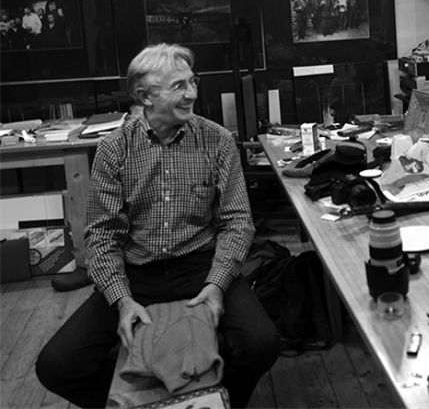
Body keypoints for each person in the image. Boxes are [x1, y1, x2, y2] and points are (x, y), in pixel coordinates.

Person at [36, 44, 280, 408]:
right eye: (178, 86)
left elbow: (237, 222)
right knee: (57, 366)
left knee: (262, 343)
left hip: (201, 267)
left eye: (193, 82)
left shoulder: (217, 140)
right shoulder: (114, 149)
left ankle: (217, 400)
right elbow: (102, 235)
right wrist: (121, 299)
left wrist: (216, 285)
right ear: (145, 96)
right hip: (136, 274)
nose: (192, 93)